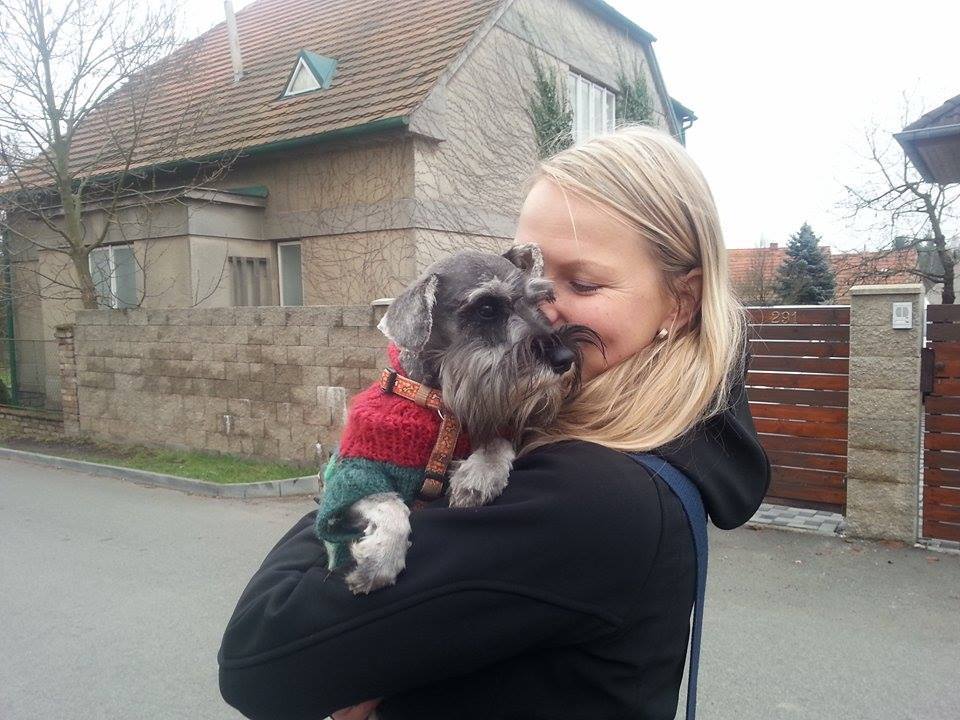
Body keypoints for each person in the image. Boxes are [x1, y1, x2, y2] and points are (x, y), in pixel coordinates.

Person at [217, 125, 770, 720]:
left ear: (681, 302)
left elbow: (259, 656)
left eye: (582, 283)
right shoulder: (655, 448)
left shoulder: (590, 495)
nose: (543, 312)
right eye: (529, 275)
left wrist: (363, 467)